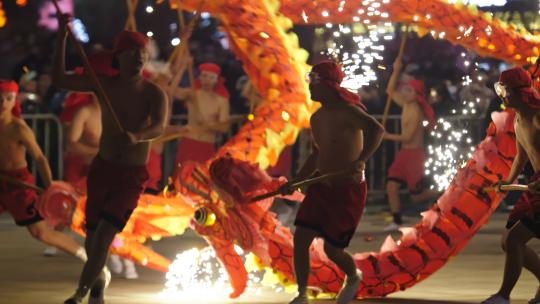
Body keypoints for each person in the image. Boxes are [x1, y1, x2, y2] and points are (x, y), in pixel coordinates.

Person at [53, 14, 168, 304]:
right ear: (119, 57)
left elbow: (158, 127)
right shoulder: (103, 85)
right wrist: (62, 39)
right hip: (102, 169)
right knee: (93, 239)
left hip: (131, 175)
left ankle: (79, 294)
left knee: (104, 235)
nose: (140, 58)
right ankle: (99, 279)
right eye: (133, 53)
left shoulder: (154, 92)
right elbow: (59, 79)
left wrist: (137, 136)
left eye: (143, 53)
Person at [280, 61, 384, 304]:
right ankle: (302, 294)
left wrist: (361, 160)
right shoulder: (316, 118)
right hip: (321, 187)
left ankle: (353, 275)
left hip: (347, 190)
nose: (310, 89)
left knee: (332, 250)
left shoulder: (349, 111)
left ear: (328, 85)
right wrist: (296, 181)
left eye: (314, 83)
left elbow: (376, 130)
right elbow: (317, 154)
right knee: (301, 237)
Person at [0, 79, 88, 262]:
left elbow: (39, 158)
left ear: (14, 100)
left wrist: (50, 186)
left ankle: (86, 257)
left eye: (8, 98)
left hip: (19, 185)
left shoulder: (19, 128)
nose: (3, 103)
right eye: (0, 98)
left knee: (41, 233)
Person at [481, 67, 540, 304]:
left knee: (515, 240)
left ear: (519, 91)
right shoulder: (517, 119)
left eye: (505, 90)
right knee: (508, 241)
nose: (502, 95)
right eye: (500, 89)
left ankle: (503, 296)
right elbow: (521, 157)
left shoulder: (537, 116)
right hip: (536, 186)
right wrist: (508, 181)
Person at [383, 78, 438, 232]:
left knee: (416, 196)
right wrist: (395, 70)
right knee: (391, 186)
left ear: (417, 94)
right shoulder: (406, 104)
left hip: (414, 156)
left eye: (409, 90)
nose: (405, 93)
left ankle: (444, 192)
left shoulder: (416, 111)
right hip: (404, 154)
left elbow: (407, 137)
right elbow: (389, 91)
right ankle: (397, 221)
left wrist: (386, 136)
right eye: (405, 90)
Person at [171, 62, 230, 164]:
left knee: (202, 177)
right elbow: (171, 91)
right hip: (188, 142)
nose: (207, 80)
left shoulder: (222, 101)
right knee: (181, 176)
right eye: (204, 76)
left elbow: (224, 127)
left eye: (211, 77)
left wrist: (208, 125)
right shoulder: (192, 94)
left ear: (216, 80)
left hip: (207, 144)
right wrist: (182, 67)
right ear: (200, 77)